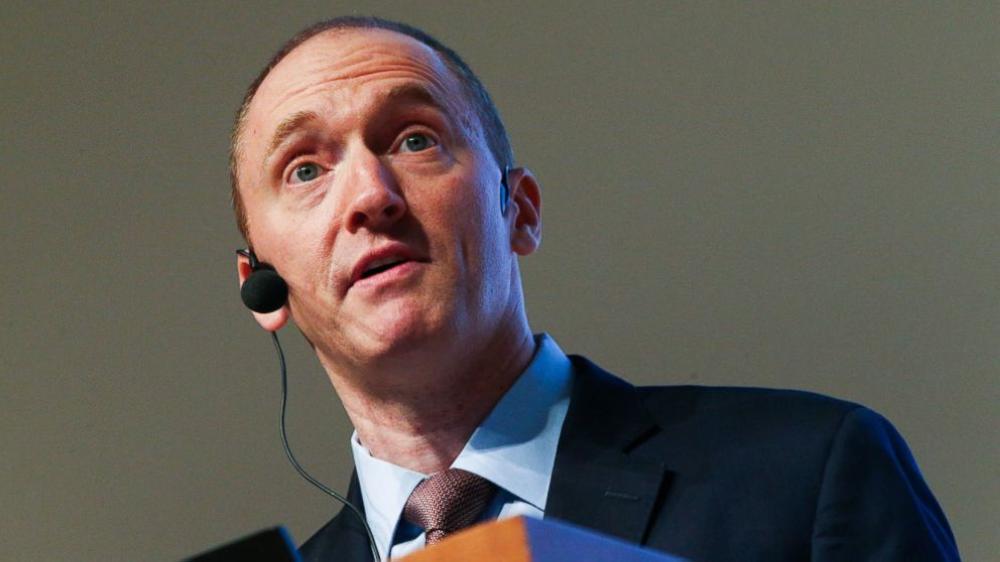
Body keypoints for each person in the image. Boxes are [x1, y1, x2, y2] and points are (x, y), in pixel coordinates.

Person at [230, 16, 960, 562]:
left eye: (415, 139)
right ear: (262, 285)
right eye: (305, 169)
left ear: (520, 212)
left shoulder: (809, 473)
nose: (370, 195)